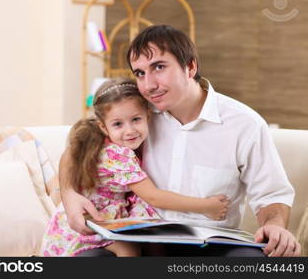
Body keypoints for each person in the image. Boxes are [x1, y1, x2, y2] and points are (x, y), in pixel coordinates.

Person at [60, 25, 301, 257]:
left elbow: (271, 195)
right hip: (140, 243)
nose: (148, 85)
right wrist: (69, 195)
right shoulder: (137, 117)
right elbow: (76, 151)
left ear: (190, 67)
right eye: (140, 73)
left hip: (212, 246)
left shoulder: (243, 124)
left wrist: (276, 226)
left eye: (159, 67)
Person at [43, 78, 230, 257]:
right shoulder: (117, 155)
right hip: (89, 224)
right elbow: (153, 196)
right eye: (118, 124)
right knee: (129, 249)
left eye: (136, 120)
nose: (130, 130)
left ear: (148, 115)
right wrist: (207, 206)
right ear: (102, 126)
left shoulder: (110, 142)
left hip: (83, 223)